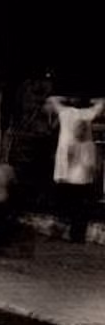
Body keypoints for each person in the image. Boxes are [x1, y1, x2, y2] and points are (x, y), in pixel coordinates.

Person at [48, 95, 104, 243]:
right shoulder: (83, 116)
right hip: (77, 179)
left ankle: (72, 235)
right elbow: (101, 105)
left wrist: (63, 98)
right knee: (77, 208)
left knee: (73, 207)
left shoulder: (67, 114)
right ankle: (74, 235)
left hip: (72, 178)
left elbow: (53, 100)